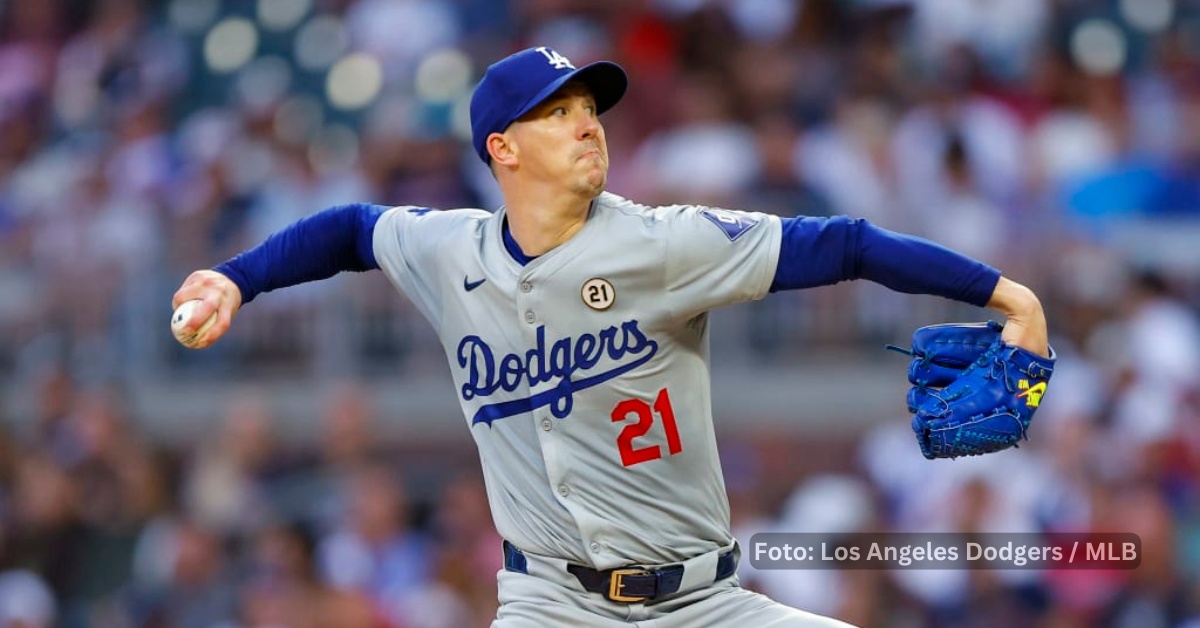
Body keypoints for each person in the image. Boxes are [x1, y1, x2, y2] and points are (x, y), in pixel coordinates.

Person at [172, 46, 1051, 627]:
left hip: (703, 604)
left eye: (590, 106)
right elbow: (349, 228)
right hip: (551, 604)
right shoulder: (450, 251)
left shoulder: (663, 243)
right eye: (557, 113)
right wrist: (236, 278)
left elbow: (847, 243)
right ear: (502, 149)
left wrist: (1007, 293)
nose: (588, 122)